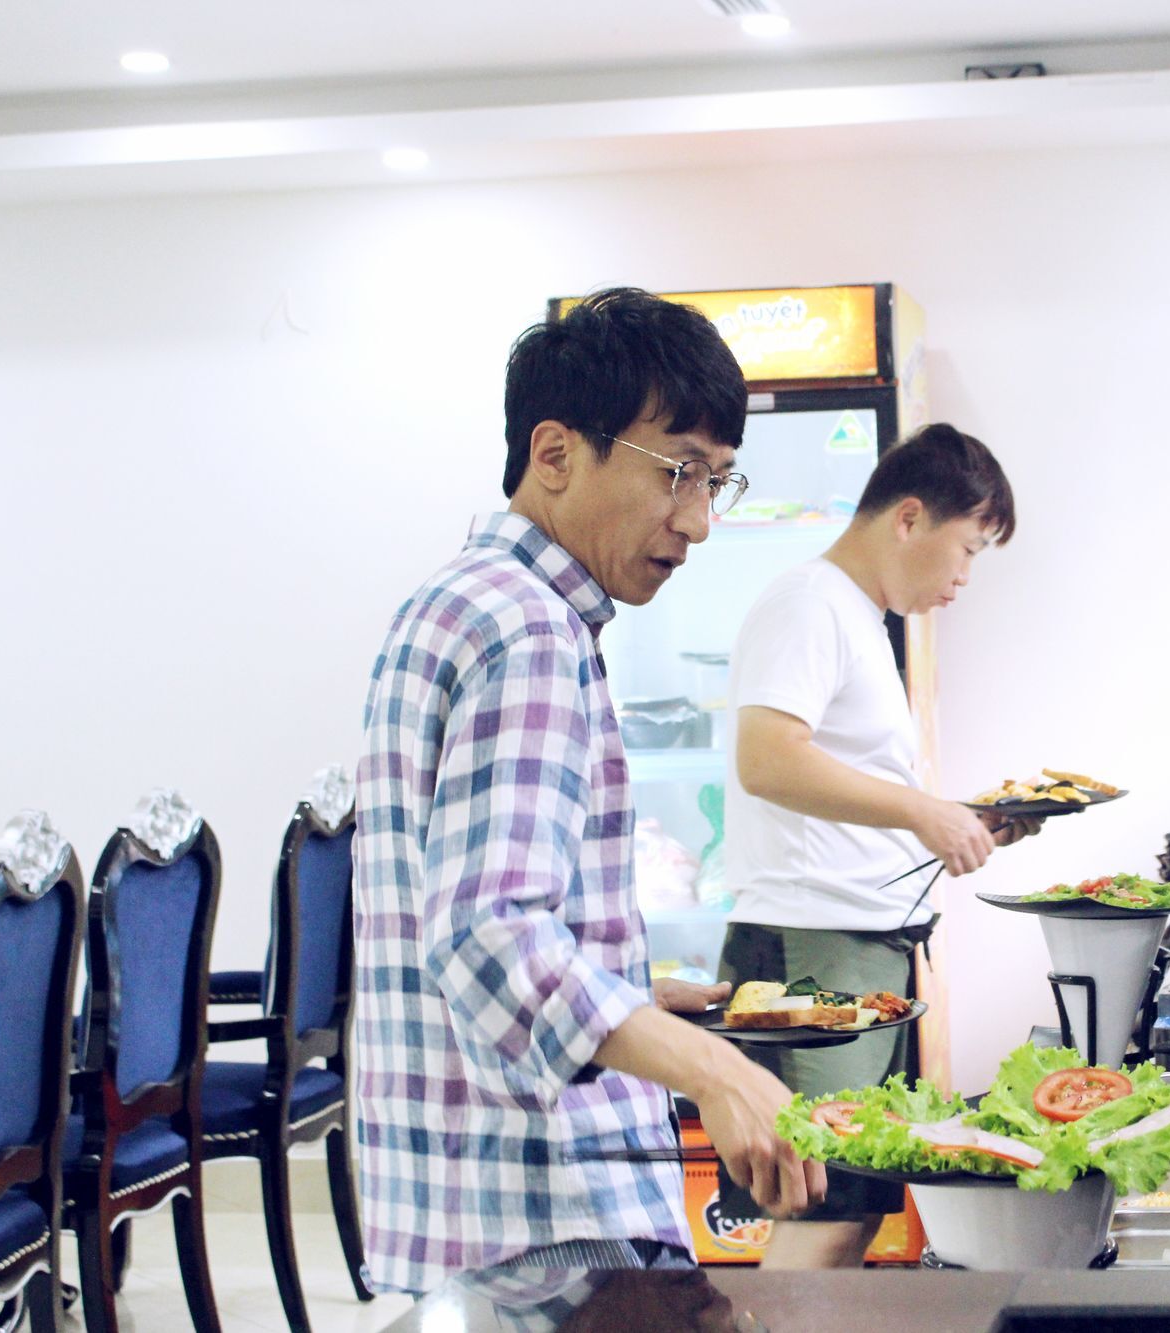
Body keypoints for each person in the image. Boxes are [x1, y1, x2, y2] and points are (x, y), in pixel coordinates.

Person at [351, 288, 825, 1295]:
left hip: (460, 1200)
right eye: (677, 474)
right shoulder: (527, 631)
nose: (695, 521)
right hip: (545, 1212)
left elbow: (446, 921)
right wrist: (719, 1072)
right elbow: (484, 934)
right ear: (556, 452)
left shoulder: (457, 601)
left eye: (718, 483)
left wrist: (632, 996)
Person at [716, 423, 1031, 1269]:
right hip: (815, 948)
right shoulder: (809, 602)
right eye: (966, 549)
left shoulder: (854, 614)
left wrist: (959, 815)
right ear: (909, 518)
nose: (964, 579)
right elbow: (766, 759)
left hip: (862, 944)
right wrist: (924, 815)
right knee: (824, 1203)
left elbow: (844, 782)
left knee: (853, 1205)